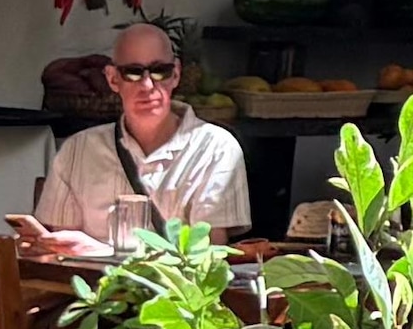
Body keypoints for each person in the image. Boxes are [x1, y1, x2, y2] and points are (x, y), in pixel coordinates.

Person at [18, 22, 246, 251]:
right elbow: (60, 252)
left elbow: (207, 255)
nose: (147, 85)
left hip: (170, 278)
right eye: (133, 73)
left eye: (160, 71)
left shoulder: (216, 148)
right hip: (84, 275)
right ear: (112, 78)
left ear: (176, 74)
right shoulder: (77, 150)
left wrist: (101, 253)